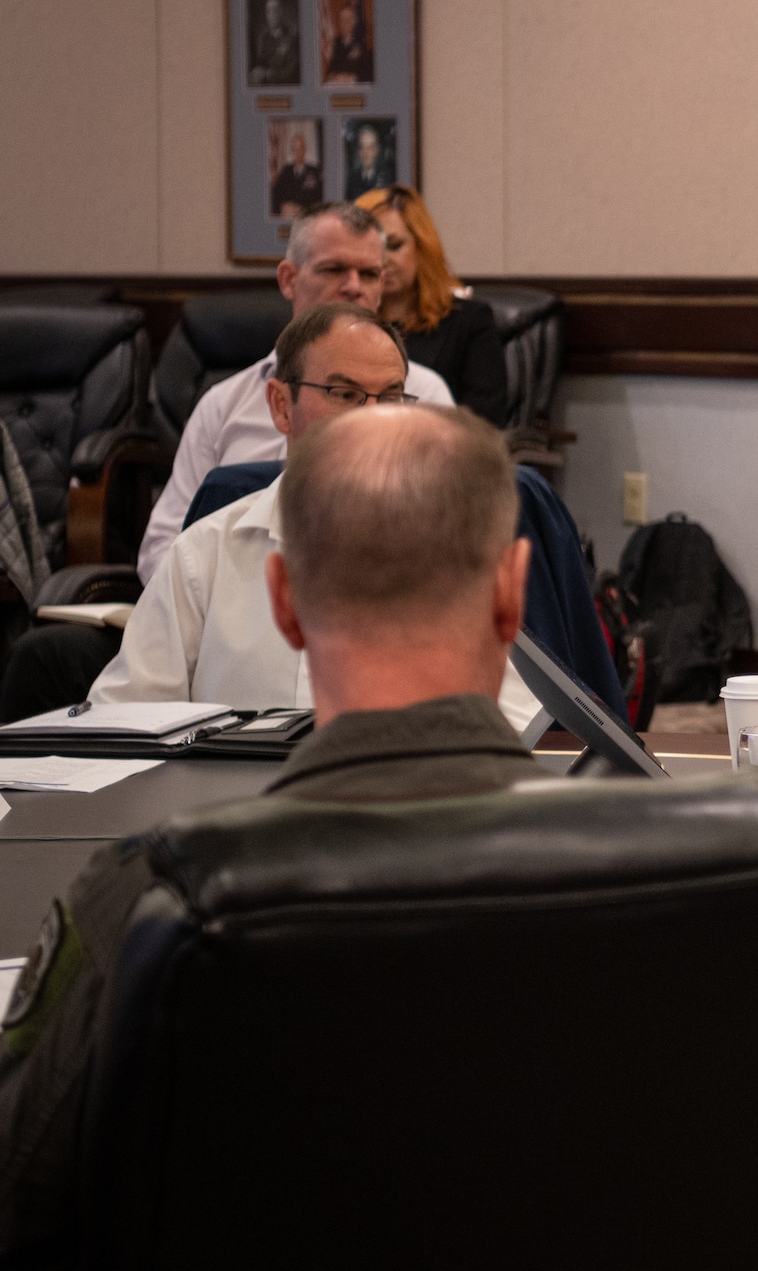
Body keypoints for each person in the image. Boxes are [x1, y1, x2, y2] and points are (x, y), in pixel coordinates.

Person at [0, 401, 547, 1262]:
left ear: (285, 603)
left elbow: (19, 1189)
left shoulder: (151, 902)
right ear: (513, 593)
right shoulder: (709, 888)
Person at [89, 303, 540, 731]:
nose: (373, 418)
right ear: (281, 405)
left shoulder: (450, 551)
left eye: (392, 396)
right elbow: (123, 721)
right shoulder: (204, 556)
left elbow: (520, 728)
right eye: (345, 394)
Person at [138, 201, 452, 584]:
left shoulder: (423, 394)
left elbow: (449, 538)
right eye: (334, 269)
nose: (354, 287)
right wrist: (219, 603)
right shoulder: (224, 404)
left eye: (369, 274)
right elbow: (161, 547)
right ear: (288, 279)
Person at [356, 184, 508, 426]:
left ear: (422, 248)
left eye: (395, 246)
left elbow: (483, 424)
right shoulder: (347, 323)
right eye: (372, 248)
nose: (383, 259)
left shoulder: (469, 321)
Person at [248, 0, 299, 86]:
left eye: (275, 10)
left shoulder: (292, 37)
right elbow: (260, 63)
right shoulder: (263, 38)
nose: (272, 14)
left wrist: (268, 74)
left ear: (281, 12)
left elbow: (291, 73)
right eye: (268, 11)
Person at [268, 131, 322, 218]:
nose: (297, 152)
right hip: (288, 215)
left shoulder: (313, 171)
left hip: (306, 214)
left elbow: (318, 197)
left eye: (300, 148)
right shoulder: (286, 170)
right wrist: (282, 206)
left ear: (304, 149)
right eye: (294, 149)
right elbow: (277, 194)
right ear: (292, 151)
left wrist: (301, 208)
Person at [323, 0, 374, 83]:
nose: (344, 23)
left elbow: (371, 75)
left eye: (348, 19)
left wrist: (351, 78)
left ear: (354, 22)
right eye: (341, 19)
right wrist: (331, 76)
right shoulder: (335, 42)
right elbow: (330, 71)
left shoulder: (365, 43)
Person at [344, 122, 394, 197]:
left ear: (377, 150)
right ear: (358, 151)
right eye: (362, 147)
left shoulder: (388, 178)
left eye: (370, 147)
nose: (365, 153)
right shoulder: (352, 179)